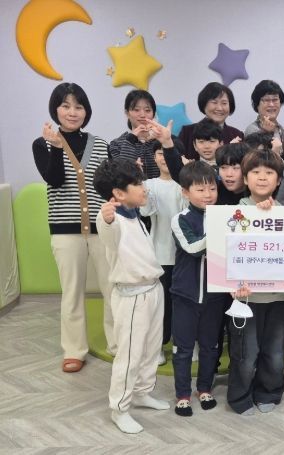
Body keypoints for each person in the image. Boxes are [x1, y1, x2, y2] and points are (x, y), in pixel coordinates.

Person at [32, 82, 116, 372]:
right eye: (65, 105)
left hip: (102, 228)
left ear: (86, 111)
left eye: (78, 106)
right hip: (65, 231)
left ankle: (117, 344)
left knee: (112, 288)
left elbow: (108, 186)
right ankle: (74, 350)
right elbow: (54, 180)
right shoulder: (42, 144)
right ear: (55, 109)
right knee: (72, 292)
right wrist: (57, 148)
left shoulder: (101, 144)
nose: (72, 112)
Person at [93, 158, 169, 434]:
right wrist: (106, 217)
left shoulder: (134, 212)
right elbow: (107, 228)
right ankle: (119, 408)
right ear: (118, 193)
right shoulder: (112, 219)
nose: (144, 187)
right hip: (132, 296)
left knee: (151, 348)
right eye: (137, 183)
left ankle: (142, 392)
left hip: (153, 289)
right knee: (130, 354)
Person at [227, 149, 284, 416]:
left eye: (269, 172)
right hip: (245, 298)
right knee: (245, 353)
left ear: (279, 180)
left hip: (279, 298)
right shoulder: (235, 212)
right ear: (245, 178)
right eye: (255, 172)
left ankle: (269, 392)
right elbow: (226, 249)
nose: (262, 177)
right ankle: (240, 397)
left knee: (275, 352)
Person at [170, 161, 230, 416]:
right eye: (200, 189)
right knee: (183, 349)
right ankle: (182, 394)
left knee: (210, 346)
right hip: (185, 294)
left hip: (215, 295)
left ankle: (204, 388)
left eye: (212, 188)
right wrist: (219, 230)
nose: (208, 194)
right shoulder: (180, 219)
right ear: (185, 192)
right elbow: (192, 248)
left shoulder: (225, 215)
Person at [140, 140, 188, 365]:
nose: (164, 158)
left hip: (184, 255)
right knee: (159, 305)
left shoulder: (184, 184)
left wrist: (186, 180)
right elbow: (146, 211)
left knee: (183, 304)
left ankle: (183, 343)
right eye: (159, 153)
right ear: (154, 157)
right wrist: (140, 186)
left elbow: (188, 212)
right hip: (159, 254)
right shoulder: (149, 183)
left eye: (168, 153)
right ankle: (158, 345)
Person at [109, 89, 184, 179]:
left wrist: (166, 142)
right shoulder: (117, 144)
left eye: (147, 110)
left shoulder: (167, 140)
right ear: (127, 113)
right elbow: (119, 175)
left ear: (154, 114)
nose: (142, 115)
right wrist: (131, 139)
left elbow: (179, 171)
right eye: (136, 110)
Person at [178, 82, 243, 159]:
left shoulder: (237, 135)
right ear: (204, 104)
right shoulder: (187, 133)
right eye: (214, 102)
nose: (219, 108)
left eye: (224, 103)